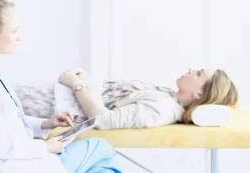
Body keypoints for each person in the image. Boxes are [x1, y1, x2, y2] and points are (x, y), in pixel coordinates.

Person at [0, 0, 122, 173]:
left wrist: (46, 123)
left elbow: (9, 124)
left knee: (104, 172)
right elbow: (0, 143)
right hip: (18, 168)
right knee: (101, 148)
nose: (20, 37)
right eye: (15, 31)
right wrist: (46, 147)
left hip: (23, 162)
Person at [56, 66, 238, 129]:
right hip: (61, 94)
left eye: (198, 74)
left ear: (199, 94)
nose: (191, 70)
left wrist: (77, 84)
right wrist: (85, 79)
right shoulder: (167, 95)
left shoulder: (162, 109)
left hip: (56, 108)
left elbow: (104, 120)